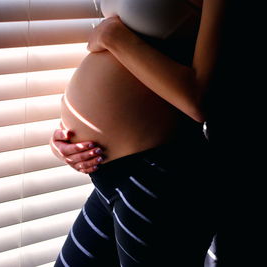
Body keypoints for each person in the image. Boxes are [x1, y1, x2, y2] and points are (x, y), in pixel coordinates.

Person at [50, 0, 225, 266]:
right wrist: (68, 137)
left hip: (160, 176)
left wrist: (113, 37)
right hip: (111, 179)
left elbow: (199, 101)